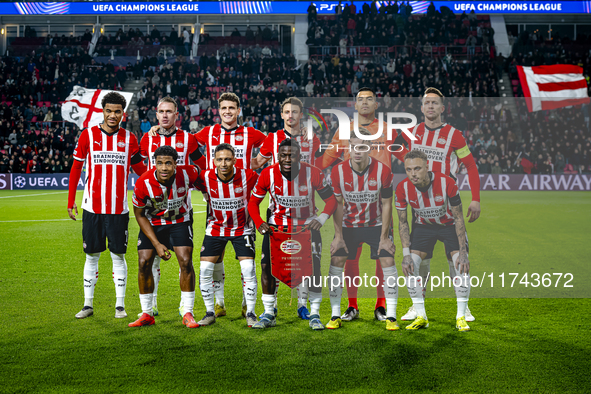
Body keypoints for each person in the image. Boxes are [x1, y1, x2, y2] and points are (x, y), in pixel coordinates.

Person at [320, 87, 405, 323]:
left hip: (380, 202)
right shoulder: (344, 130)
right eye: (360, 100)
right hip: (352, 203)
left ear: (377, 104)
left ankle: (381, 306)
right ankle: (352, 306)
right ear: (355, 106)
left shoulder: (388, 130)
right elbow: (325, 160)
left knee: (383, 253)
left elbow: (407, 155)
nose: (365, 103)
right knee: (350, 257)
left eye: (370, 99)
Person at [395, 87, 480, 322]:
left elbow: (471, 167)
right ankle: (417, 305)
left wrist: (475, 199)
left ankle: (464, 307)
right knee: (421, 257)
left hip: (447, 202)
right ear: (421, 108)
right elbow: (395, 145)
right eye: (426, 103)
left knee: (458, 255)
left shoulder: (454, 135)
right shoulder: (412, 132)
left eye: (435, 103)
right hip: (420, 205)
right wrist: (410, 162)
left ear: (442, 108)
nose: (430, 106)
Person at [67, 92, 147, 319]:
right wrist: (71, 200)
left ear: (124, 113)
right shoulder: (88, 135)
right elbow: (76, 168)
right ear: (102, 111)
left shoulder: (130, 138)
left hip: (118, 209)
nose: (113, 115)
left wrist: (157, 181)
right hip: (92, 207)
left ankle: (120, 306)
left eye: (117, 111)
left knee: (118, 256)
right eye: (109, 111)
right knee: (91, 256)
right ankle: (87, 304)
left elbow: (140, 169)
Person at [247, 139, 337, 330]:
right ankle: (269, 312)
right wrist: (259, 222)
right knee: (267, 268)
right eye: (283, 155)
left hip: (307, 230)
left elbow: (331, 201)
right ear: (278, 156)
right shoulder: (267, 173)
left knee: (313, 270)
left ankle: (314, 314)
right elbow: (252, 203)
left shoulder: (313, 173)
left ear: (299, 156)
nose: (287, 159)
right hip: (276, 230)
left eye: (292, 155)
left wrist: (320, 220)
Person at [251, 97, 323, 320]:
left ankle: (304, 305)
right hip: (279, 210)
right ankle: (270, 308)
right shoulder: (271, 139)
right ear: (281, 115)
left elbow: (317, 169)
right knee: (275, 263)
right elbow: (256, 164)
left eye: (295, 112)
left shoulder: (314, 140)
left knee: (307, 263)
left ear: (301, 115)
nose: (290, 115)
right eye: (286, 112)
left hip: (305, 209)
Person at [195, 92, 266, 318]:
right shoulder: (209, 132)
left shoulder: (250, 133)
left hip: (243, 198)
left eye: (231, 108)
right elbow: (186, 142)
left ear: (238, 110)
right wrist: (158, 128)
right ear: (218, 110)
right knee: (218, 254)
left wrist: (255, 163)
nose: (227, 112)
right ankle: (219, 302)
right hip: (215, 196)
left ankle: (247, 303)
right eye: (223, 108)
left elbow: (271, 144)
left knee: (245, 255)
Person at [327, 128, 399, 331]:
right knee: (338, 259)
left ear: (369, 147)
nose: (357, 151)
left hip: (376, 225)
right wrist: (338, 236)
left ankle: (388, 313)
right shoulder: (337, 171)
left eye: (361, 146)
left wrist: (384, 237)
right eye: (353, 146)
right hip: (349, 225)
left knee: (387, 258)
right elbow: (337, 204)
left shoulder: (383, 170)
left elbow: (386, 204)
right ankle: (342, 311)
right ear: (349, 147)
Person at [141, 96, 206, 317]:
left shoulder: (188, 139)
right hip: (153, 212)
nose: (165, 115)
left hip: (180, 209)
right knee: (150, 260)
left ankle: (184, 306)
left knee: (184, 259)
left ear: (177, 115)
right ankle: (153, 303)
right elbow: (139, 164)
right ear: (156, 114)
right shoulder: (146, 139)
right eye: (162, 112)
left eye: (170, 112)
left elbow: (202, 164)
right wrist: (148, 185)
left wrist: (203, 186)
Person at [395, 150, 471, 331]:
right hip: (424, 227)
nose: (413, 173)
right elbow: (403, 223)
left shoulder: (447, 183)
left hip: (449, 225)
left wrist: (463, 252)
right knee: (410, 265)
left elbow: (459, 217)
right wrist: (406, 254)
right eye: (409, 169)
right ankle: (421, 316)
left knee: (460, 264)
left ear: (427, 166)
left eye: (417, 168)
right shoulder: (402, 188)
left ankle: (461, 316)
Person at [129, 146, 199, 328]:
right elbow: (139, 214)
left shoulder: (188, 173)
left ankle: (188, 312)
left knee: (185, 260)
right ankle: (147, 313)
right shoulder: (143, 183)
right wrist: (157, 244)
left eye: (168, 163)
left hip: (180, 221)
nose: (164, 168)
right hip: (153, 223)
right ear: (154, 164)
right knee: (144, 261)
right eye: (159, 163)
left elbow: (204, 177)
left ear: (176, 164)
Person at [194, 143, 259, 327]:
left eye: (227, 159)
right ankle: (210, 312)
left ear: (234, 161)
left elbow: (267, 184)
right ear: (214, 161)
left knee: (248, 268)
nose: (223, 163)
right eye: (220, 159)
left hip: (242, 229)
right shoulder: (205, 177)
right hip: (215, 228)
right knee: (205, 269)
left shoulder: (249, 175)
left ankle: (251, 313)